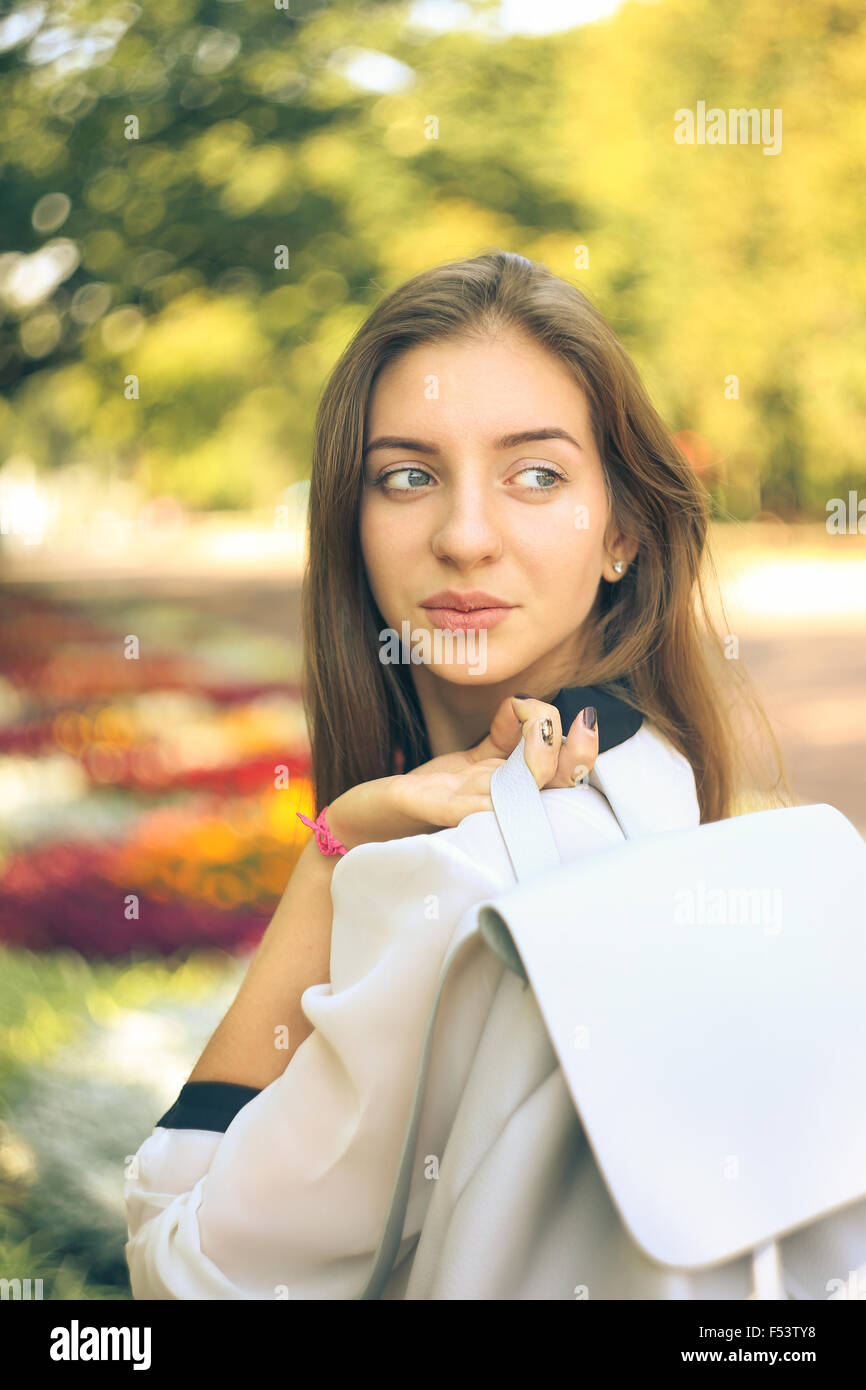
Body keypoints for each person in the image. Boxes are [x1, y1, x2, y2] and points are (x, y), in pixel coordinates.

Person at [124, 249, 785, 1299]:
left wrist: (331, 849)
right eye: (407, 476)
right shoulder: (652, 770)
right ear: (351, 518)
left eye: (534, 475)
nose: (463, 536)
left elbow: (184, 1263)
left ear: (621, 529)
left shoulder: (461, 872)